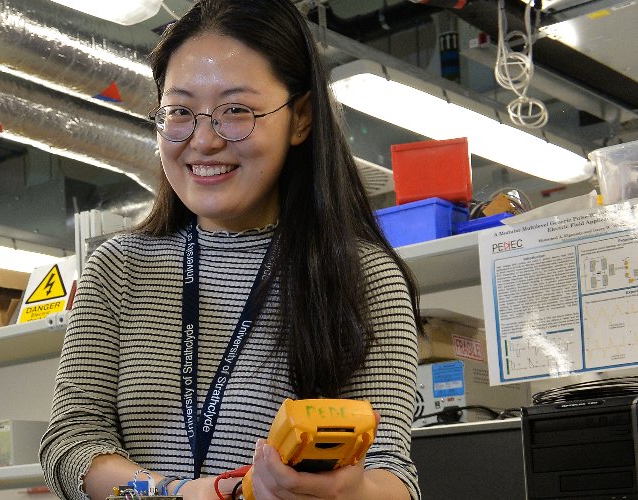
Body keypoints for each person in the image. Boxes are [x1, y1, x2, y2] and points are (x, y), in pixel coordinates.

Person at [39, 0, 421, 499]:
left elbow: (393, 473)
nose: (203, 140)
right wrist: (172, 494)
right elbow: (71, 441)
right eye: (179, 112)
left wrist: (347, 494)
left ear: (301, 118)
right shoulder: (120, 268)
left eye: (235, 111)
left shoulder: (363, 276)